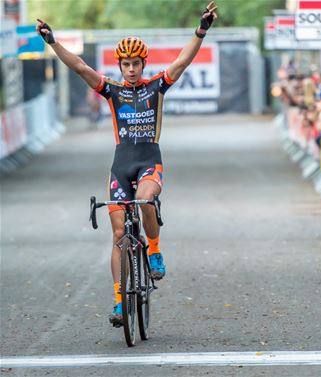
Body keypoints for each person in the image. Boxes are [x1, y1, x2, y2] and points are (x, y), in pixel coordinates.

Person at [36, 2, 218, 327]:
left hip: (149, 161)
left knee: (147, 199)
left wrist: (201, 30)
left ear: (142, 64)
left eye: (135, 63)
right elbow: (79, 66)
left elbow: (183, 61)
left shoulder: (156, 86)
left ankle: (155, 248)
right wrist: (52, 41)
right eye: (126, 64)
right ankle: (121, 301)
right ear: (120, 65)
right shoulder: (112, 90)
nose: (131, 69)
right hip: (121, 165)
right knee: (119, 234)